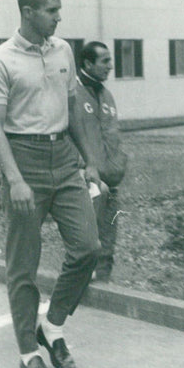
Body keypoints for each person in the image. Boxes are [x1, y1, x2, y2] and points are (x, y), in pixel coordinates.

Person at [0, 0, 102, 368]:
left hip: (64, 160)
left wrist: (89, 161)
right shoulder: (0, 60)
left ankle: (52, 325)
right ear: (28, 12)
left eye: (58, 10)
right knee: (23, 265)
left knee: (88, 247)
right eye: (51, 10)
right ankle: (28, 351)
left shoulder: (64, 50)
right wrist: (14, 180)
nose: (58, 17)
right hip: (24, 161)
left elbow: (72, 111)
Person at [73, 41, 128, 283]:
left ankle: (103, 285)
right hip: (86, 179)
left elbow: (113, 135)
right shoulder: (72, 94)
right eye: (105, 61)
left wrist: (119, 165)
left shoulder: (106, 95)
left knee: (109, 236)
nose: (110, 66)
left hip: (110, 179)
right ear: (87, 63)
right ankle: (80, 281)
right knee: (87, 236)